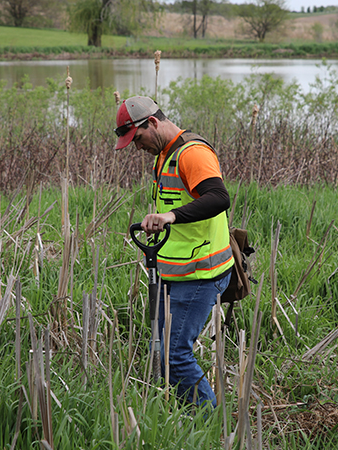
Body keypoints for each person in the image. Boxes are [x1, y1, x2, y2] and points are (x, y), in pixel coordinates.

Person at [115, 96, 233, 408]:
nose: (137, 148)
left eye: (137, 139)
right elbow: (176, 203)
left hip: (201, 273)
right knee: (165, 351)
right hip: (176, 270)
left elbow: (219, 198)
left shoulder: (192, 154)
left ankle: (210, 426)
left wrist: (170, 217)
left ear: (152, 122)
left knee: (174, 354)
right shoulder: (164, 156)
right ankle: (183, 413)